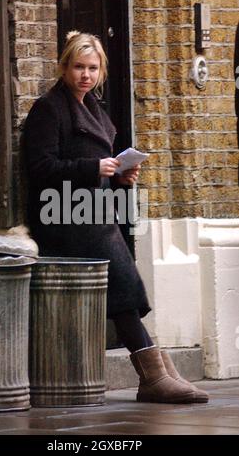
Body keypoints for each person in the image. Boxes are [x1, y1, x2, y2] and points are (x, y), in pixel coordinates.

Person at [23, 30, 208, 404]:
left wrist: (121, 175)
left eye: (92, 68)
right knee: (122, 284)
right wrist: (94, 167)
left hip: (92, 214)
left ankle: (156, 369)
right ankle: (153, 373)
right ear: (64, 67)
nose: (85, 75)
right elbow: (39, 167)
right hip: (61, 217)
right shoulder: (49, 108)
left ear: (102, 71)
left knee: (126, 283)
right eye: (78, 67)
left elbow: (97, 170)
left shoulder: (95, 109)